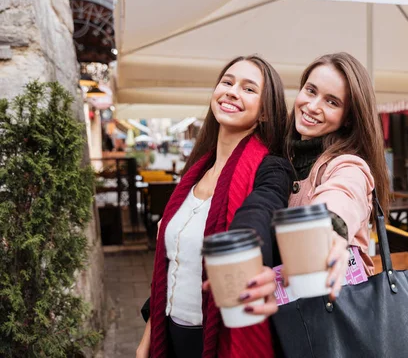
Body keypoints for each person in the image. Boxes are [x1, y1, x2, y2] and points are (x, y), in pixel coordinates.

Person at [136, 55, 292, 358]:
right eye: (227, 82)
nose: (232, 91)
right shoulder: (195, 172)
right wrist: (147, 341)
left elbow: (262, 207)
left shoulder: (272, 170)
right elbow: (170, 267)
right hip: (168, 333)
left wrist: (244, 244)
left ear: (265, 112)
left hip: (218, 338)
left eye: (249, 89)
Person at [284, 52, 389, 289]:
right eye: (311, 91)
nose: (312, 106)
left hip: (330, 314)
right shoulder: (282, 155)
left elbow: (344, 194)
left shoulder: (348, 165)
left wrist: (329, 228)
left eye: (332, 102)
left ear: (349, 119)